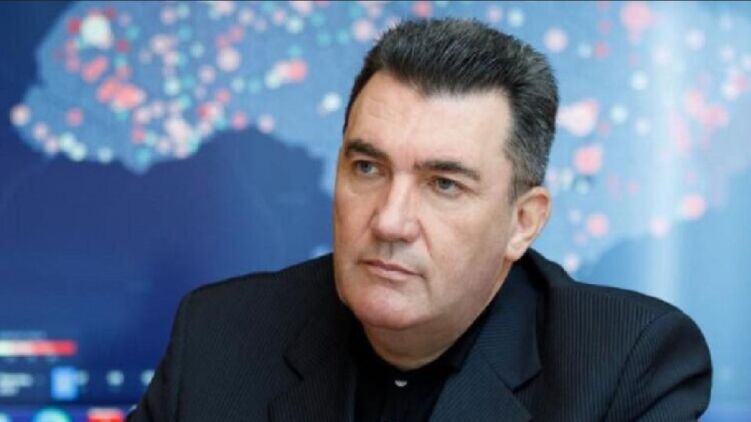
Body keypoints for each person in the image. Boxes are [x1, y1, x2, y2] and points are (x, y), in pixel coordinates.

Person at [128, 18, 711, 421]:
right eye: (367, 168)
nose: (390, 221)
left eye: (444, 184)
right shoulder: (220, 337)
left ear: (522, 222)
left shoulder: (625, 366)